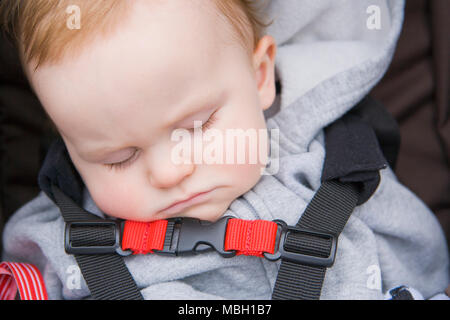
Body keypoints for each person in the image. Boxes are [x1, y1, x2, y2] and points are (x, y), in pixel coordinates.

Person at [1, 0, 448, 300]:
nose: (170, 172)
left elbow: (420, 261)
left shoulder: (332, 176)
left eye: (197, 126)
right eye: (118, 158)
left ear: (259, 76)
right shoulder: (60, 237)